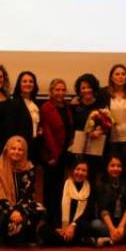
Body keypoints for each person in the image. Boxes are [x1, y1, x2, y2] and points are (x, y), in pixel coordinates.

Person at [0, 136, 46, 245]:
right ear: (7, 149)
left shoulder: (28, 167)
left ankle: (24, 234)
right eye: (13, 148)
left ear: (25, 152)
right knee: (13, 224)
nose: (16, 152)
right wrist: (12, 211)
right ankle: (12, 236)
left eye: (20, 149)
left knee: (40, 208)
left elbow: (28, 193)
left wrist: (19, 210)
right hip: (3, 207)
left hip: (21, 207)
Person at [39, 160, 96, 246]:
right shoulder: (61, 186)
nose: (80, 173)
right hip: (59, 227)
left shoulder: (90, 190)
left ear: (87, 173)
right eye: (77, 169)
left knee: (89, 227)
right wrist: (57, 228)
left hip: (78, 226)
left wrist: (73, 225)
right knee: (43, 230)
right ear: (72, 170)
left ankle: (62, 240)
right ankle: (75, 241)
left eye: (84, 170)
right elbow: (53, 209)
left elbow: (88, 213)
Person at [90, 155, 126, 245]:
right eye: (112, 166)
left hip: (124, 221)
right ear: (107, 167)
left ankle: (111, 239)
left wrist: (121, 227)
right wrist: (112, 229)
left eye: (119, 166)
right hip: (108, 222)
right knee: (95, 224)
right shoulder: (101, 183)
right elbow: (103, 210)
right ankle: (122, 237)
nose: (116, 168)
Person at [40, 78, 74, 221]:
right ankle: (50, 220)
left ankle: (60, 218)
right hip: (52, 155)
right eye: (57, 90)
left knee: (61, 187)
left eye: (63, 90)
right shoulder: (46, 107)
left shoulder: (66, 106)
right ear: (51, 91)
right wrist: (54, 156)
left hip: (65, 152)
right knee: (51, 189)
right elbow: (47, 134)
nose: (60, 92)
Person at [70, 73, 108, 179]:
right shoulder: (75, 105)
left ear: (94, 88)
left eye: (89, 87)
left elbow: (108, 123)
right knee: (79, 177)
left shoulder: (101, 104)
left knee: (95, 177)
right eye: (83, 88)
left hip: (97, 147)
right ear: (79, 90)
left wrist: (100, 131)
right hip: (79, 148)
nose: (86, 90)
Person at [103, 64, 126, 165]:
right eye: (117, 74)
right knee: (111, 167)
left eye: (123, 74)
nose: (120, 77)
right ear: (111, 78)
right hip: (110, 139)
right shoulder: (104, 93)